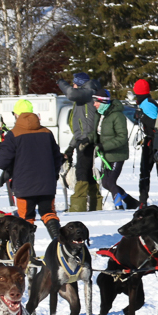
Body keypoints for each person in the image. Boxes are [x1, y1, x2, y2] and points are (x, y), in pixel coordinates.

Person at [0, 99, 63, 239]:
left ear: (16, 115)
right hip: (47, 183)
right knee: (49, 213)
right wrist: (53, 175)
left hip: (24, 185)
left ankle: (27, 252)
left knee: (26, 218)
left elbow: (2, 161)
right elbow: (58, 157)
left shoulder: (13, 134)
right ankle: (59, 245)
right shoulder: (46, 132)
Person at [58, 72, 103, 212]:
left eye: (74, 83)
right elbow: (79, 128)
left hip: (88, 141)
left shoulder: (88, 93)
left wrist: (60, 82)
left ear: (78, 84)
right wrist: (71, 147)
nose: (72, 86)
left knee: (82, 172)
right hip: (81, 140)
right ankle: (95, 205)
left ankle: (78, 207)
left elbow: (71, 93)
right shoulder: (81, 100)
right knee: (88, 174)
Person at [92, 89, 137, 210]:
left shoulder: (117, 115)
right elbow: (97, 133)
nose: (94, 104)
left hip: (117, 154)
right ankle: (130, 201)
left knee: (110, 182)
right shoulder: (101, 115)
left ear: (103, 102)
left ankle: (119, 206)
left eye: (96, 101)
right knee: (106, 183)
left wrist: (103, 146)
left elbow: (122, 138)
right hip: (106, 155)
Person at [131, 79, 158, 208]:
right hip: (151, 141)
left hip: (154, 142)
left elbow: (156, 124)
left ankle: (154, 200)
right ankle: (146, 200)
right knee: (148, 171)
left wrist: (142, 116)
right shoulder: (146, 102)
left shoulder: (147, 104)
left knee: (151, 172)